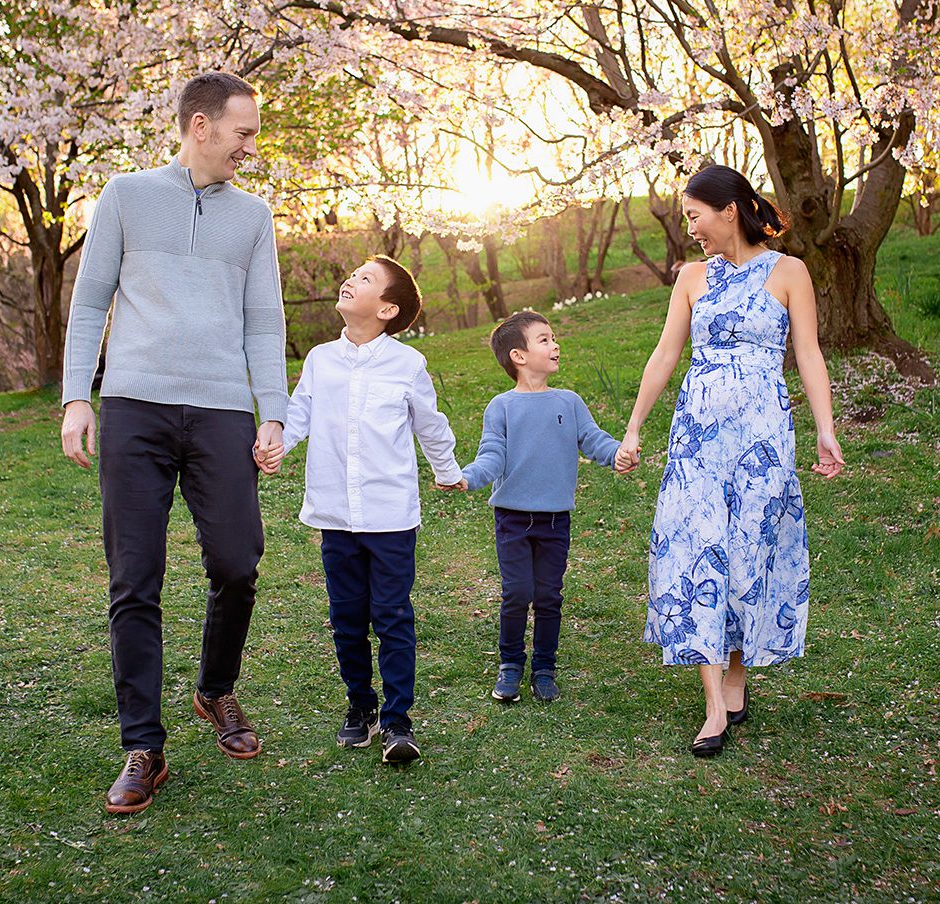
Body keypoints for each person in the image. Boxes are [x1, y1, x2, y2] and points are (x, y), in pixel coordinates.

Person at [59, 72, 288, 813]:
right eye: (242, 133)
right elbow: (91, 298)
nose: (250, 148)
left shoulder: (253, 218)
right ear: (199, 126)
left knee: (237, 559)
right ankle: (143, 747)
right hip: (135, 406)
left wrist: (272, 413)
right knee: (135, 576)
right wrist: (76, 398)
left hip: (220, 409)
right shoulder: (125, 196)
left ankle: (215, 690)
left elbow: (264, 321)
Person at [617, 163, 844, 758]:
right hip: (699, 434)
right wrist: (636, 427)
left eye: (695, 216)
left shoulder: (790, 272)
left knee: (750, 546)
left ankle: (738, 671)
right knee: (698, 545)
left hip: (762, 433)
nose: (690, 227)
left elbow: (810, 354)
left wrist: (825, 429)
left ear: (730, 211)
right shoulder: (692, 278)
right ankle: (714, 703)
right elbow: (666, 354)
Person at [257, 256, 463, 764]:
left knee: (392, 616)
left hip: (390, 515)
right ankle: (360, 707)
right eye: (352, 274)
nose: (350, 279)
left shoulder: (407, 365)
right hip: (334, 515)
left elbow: (429, 424)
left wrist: (447, 469)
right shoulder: (320, 359)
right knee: (347, 617)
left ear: (387, 308)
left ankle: (397, 721)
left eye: (365, 279)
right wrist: (279, 442)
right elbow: (299, 411)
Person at [456, 311, 637, 704]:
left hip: (556, 519)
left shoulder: (569, 402)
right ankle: (510, 665)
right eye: (544, 339)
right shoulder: (501, 407)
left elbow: (593, 439)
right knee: (517, 592)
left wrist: (618, 453)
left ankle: (544, 667)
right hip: (512, 519)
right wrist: (468, 476)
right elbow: (492, 455)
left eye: (553, 338)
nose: (555, 345)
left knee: (549, 595)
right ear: (518, 356)